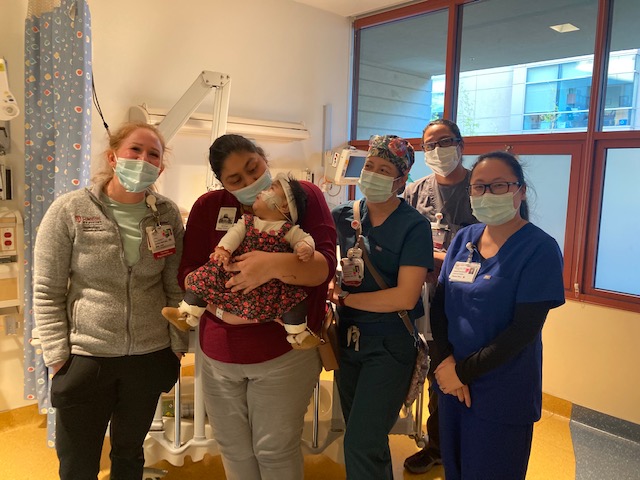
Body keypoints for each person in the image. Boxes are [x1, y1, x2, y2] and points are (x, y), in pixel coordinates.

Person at [33, 122, 188, 480]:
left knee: (130, 453)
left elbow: (174, 286)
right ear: (113, 156)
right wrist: (57, 356)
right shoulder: (70, 209)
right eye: (135, 150)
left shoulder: (166, 214)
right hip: (86, 356)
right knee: (78, 461)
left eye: (153, 154)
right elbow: (47, 290)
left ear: (160, 168)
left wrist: (177, 345)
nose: (143, 159)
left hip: (149, 355)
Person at [178, 134, 336, 480]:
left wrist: (271, 265)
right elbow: (187, 272)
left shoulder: (301, 196)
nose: (251, 183)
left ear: (264, 158)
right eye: (236, 180)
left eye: (254, 168)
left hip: (283, 353)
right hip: (219, 354)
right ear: (222, 183)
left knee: (274, 450)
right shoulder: (209, 207)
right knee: (233, 449)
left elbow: (322, 268)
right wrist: (221, 295)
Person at [431, 151, 565, 479]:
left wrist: (462, 372)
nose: (487, 194)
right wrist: (444, 362)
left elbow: (523, 331)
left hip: (502, 391)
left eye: (499, 185)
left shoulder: (539, 249)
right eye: (479, 186)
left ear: (521, 191)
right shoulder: (464, 240)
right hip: (452, 384)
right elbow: (439, 304)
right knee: (454, 470)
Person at [330, 134, 433, 479]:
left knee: (361, 441)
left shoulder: (413, 226)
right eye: (369, 166)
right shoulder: (343, 216)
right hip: (348, 339)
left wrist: (347, 298)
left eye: (384, 170)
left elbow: (405, 297)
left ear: (400, 181)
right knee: (363, 437)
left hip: (389, 344)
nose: (372, 174)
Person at [163, 173, 318, 347]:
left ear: (285, 206)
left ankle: (298, 334)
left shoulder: (289, 230)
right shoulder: (247, 221)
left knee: (294, 300)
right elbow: (234, 235)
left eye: (271, 189)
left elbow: (306, 239)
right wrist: (224, 249)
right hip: (236, 276)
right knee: (203, 277)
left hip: (273, 285)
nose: (262, 191)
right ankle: (187, 315)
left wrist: (305, 247)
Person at [402, 118, 478, 474]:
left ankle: (461, 447)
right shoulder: (415, 192)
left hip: (468, 303)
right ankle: (437, 447)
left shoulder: (480, 189)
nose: (437, 150)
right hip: (423, 299)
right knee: (435, 375)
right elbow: (402, 241)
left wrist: (433, 258)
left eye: (444, 141)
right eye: (429, 145)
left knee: (462, 376)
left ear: (460, 144)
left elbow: (493, 247)